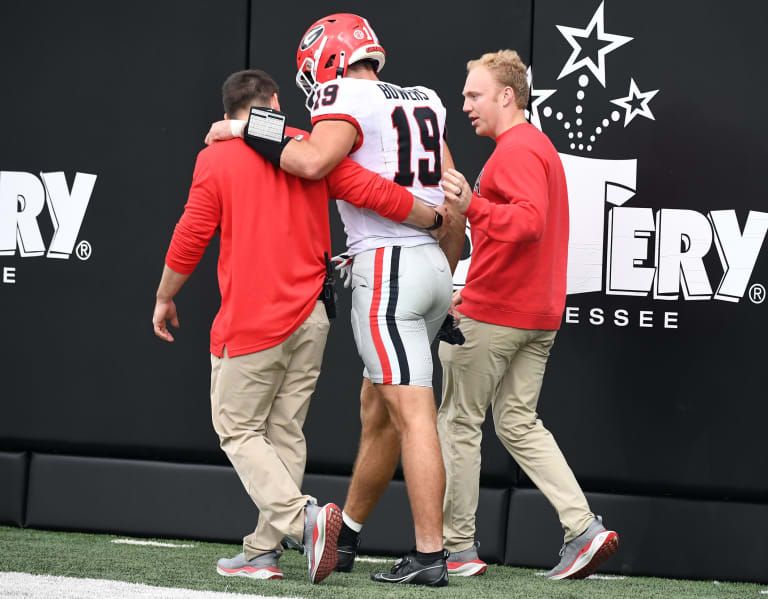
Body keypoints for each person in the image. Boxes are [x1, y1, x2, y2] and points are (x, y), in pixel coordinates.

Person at [152, 69, 446, 585]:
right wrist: (435, 218)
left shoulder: (217, 155)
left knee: (238, 429)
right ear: (274, 102)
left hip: (252, 317)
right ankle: (264, 551)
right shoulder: (308, 148)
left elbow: (192, 232)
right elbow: (374, 191)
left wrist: (165, 295)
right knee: (284, 432)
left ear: (227, 114)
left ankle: (304, 521)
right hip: (312, 315)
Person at [439, 49, 620, 580]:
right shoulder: (535, 147)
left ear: (506, 96)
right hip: (536, 316)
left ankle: (457, 550)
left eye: (474, 95)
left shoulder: (516, 149)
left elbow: (528, 224)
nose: (465, 104)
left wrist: (471, 205)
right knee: (518, 423)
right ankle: (583, 528)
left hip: (495, 315)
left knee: (459, 424)